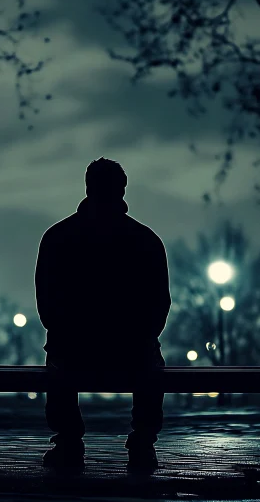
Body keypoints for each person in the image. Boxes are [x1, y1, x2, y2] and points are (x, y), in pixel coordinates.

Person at [35, 157, 171, 470]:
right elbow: (159, 304)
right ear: (123, 190)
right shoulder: (145, 240)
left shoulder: (58, 237)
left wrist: (70, 331)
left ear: (87, 188)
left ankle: (68, 441)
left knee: (58, 359)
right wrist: (139, 335)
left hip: (73, 349)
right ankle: (143, 442)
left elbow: (47, 304)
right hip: (132, 349)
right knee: (151, 362)